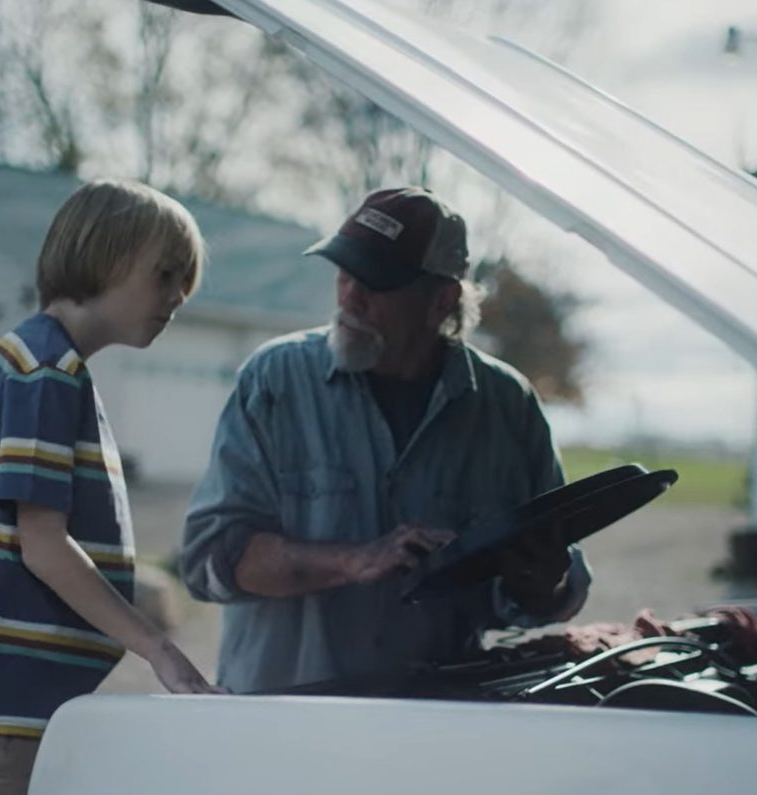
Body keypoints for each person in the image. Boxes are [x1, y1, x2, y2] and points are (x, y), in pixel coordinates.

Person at [179, 186, 592, 694]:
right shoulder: (274, 381)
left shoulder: (506, 405)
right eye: (343, 271)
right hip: (284, 721)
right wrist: (352, 560)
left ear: (441, 299)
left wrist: (539, 576)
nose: (350, 294)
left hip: (430, 725)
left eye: (374, 280)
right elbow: (208, 560)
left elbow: (553, 588)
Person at [0, 180, 223, 794]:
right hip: (0, 695)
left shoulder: (51, 368)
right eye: (164, 276)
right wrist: (155, 646)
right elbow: (44, 546)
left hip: (12, 694)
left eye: (182, 286)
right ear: (103, 255)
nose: (175, 298)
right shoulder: (43, 374)